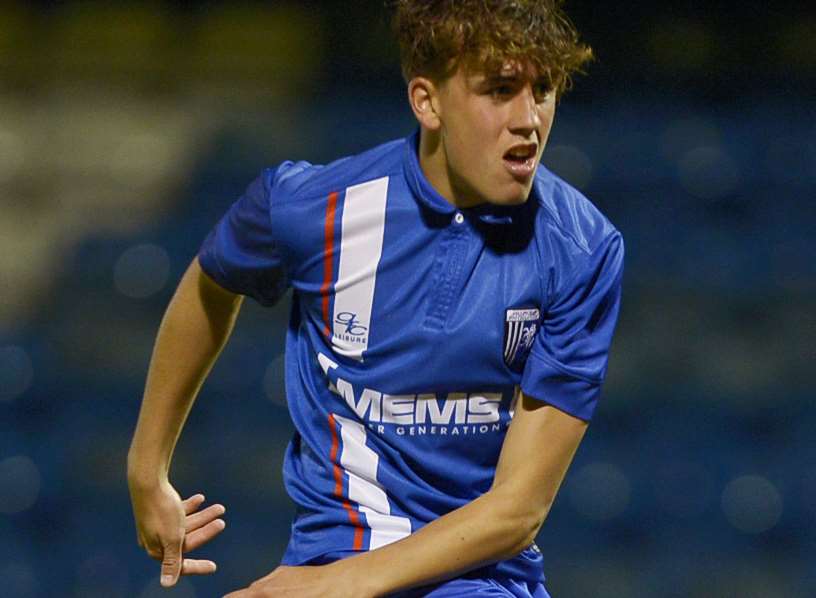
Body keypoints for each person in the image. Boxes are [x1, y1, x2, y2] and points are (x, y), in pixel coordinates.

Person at [127, 1, 624, 596]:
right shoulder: (312, 209)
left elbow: (517, 511)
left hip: (480, 579)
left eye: (542, 90)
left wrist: (334, 588)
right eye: (499, 90)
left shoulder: (582, 249)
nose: (529, 119)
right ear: (427, 101)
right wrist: (146, 470)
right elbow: (211, 282)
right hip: (333, 550)